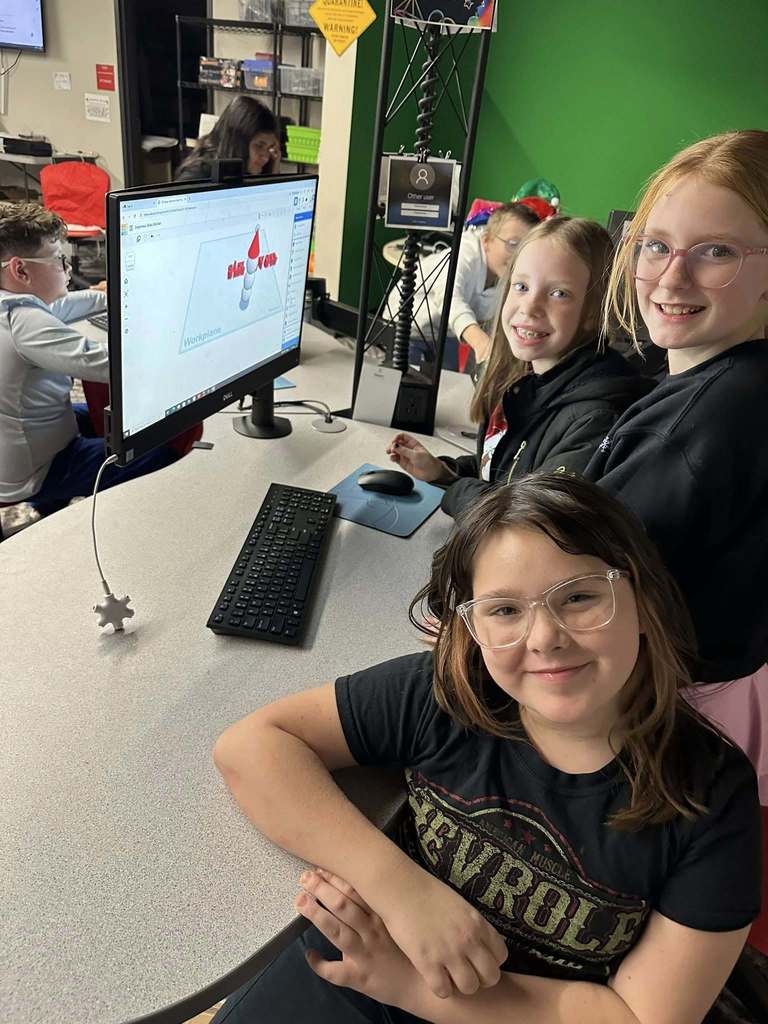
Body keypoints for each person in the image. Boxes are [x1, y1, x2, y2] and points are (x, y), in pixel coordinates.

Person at [211, 475, 761, 1024]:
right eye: (504, 611)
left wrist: (411, 987)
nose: (544, 638)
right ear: (471, 626)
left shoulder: (711, 797)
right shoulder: (447, 694)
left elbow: (642, 1017)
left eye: (579, 597)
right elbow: (253, 746)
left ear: (642, 599)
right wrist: (401, 889)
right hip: (366, 961)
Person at [584, 129, 768, 800]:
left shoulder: (705, 424)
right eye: (654, 244)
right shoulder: (730, 388)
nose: (670, 276)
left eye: (716, 251)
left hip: (656, 747)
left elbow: (575, 589)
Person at [386, 217, 654, 521]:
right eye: (522, 286)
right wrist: (445, 471)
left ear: (593, 312)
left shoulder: (595, 419)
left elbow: (525, 522)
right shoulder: (528, 380)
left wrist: (457, 489)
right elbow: (507, 470)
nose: (529, 307)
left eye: (559, 293)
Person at [0, 202, 180, 514]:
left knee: (99, 413)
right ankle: (68, 507)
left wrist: (117, 295)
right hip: (36, 471)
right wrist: (173, 344)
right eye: (59, 261)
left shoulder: (11, 305)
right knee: (160, 445)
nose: (68, 270)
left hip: (20, 438)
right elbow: (112, 365)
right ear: (21, 270)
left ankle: (52, 505)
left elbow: (68, 305)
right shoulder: (24, 323)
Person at [386, 202, 540, 372]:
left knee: (447, 385)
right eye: (512, 243)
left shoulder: (508, 273)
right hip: (407, 328)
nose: (517, 255)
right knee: (402, 384)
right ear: (487, 240)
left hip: (445, 334)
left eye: (524, 247)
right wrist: (481, 343)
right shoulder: (465, 253)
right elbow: (449, 299)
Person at [175, 95, 280, 182]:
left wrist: (273, 171)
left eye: (269, 148)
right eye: (259, 146)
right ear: (237, 142)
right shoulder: (197, 176)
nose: (265, 157)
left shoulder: (249, 170)